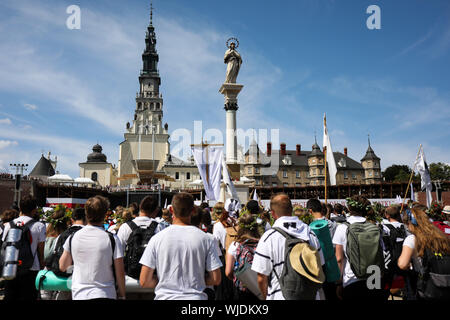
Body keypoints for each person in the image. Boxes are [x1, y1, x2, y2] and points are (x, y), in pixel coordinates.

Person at [139, 192, 222, 300]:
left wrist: (166, 281)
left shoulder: (157, 239)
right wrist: (197, 280)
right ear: (192, 211)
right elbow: (216, 279)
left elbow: (144, 281)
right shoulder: (205, 239)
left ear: (172, 210)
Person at [251, 193, 325, 300]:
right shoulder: (310, 233)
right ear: (291, 209)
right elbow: (320, 266)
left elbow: (261, 277)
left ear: (272, 213)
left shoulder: (269, 238)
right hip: (311, 295)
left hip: (280, 296)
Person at [59, 195, 126, 300]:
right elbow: (120, 272)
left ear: (86, 213)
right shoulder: (112, 239)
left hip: (80, 294)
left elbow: (63, 266)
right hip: (105, 293)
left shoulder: (73, 237)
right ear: (105, 214)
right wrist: (122, 294)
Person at [332, 195, 388, 301]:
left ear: (349, 208)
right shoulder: (374, 227)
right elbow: (381, 252)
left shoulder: (342, 228)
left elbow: (339, 259)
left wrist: (339, 283)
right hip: (374, 278)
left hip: (352, 280)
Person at [397, 207, 450, 300]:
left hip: (426, 286)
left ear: (410, 223)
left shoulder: (412, 239)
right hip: (445, 282)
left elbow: (402, 264)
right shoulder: (440, 236)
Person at [1, 195, 46, 301]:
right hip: (31, 269)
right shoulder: (39, 226)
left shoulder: (9, 225)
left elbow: (4, 246)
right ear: (35, 210)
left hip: (11, 268)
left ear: (20, 208)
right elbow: (41, 250)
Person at [225, 212, 263, 300]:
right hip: (261, 287)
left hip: (242, 289)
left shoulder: (235, 246)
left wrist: (239, 278)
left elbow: (228, 272)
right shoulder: (263, 243)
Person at [306, 198, 338, 300]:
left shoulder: (308, 228)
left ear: (310, 211)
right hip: (333, 266)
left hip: (318, 268)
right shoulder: (333, 225)